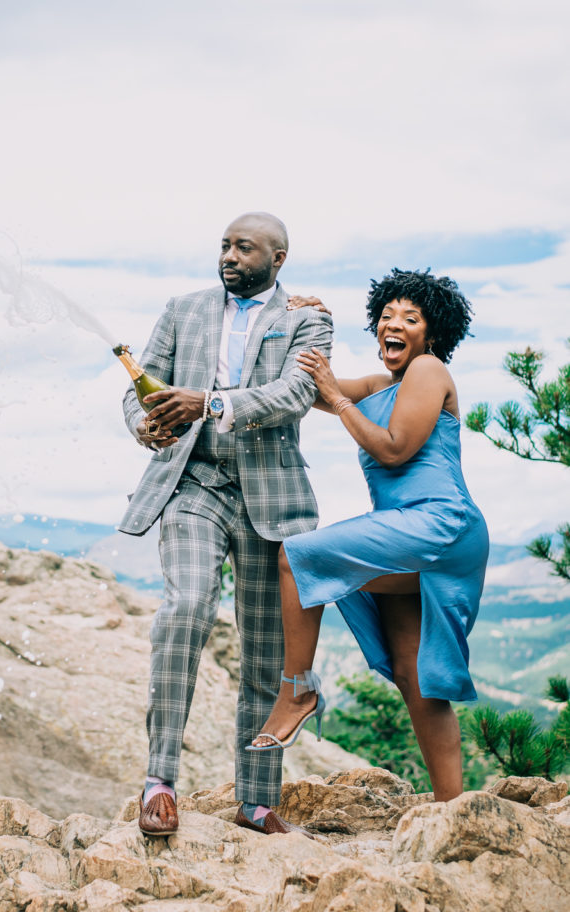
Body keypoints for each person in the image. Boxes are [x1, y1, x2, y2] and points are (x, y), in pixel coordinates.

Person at [119, 211, 333, 836]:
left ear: (278, 257)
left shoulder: (308, 318)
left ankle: (257, 802)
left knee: (266, 653)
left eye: (245, 247)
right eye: (225, 245)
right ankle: (158, 783)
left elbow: (294, 395)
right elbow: (139, 390)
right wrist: (144, 422)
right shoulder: (182, 309)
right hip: (193, 486)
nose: (230, 255)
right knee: (186, 607)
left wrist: (210, 403)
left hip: (273, 500)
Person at [248, 268, 488, 802]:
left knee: (298, 558)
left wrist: (337, 396)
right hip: (414, 532)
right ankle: (453, 808)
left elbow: (395, 448)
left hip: (438, 523)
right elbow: (308, 388)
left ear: (431, 331)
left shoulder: (428, 370)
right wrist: (305, 320)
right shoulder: (384, 385)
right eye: (385, 317)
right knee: (414, 675)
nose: (393, 325)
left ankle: (296, 692)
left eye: (410, 317)